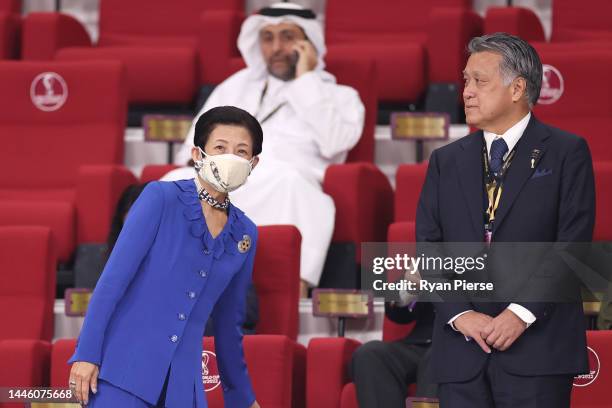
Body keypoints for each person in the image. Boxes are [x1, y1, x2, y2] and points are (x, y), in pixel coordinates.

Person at [416, 33, 594, 407]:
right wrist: (461, 314)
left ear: (517, 89)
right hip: (462, 353)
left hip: (538, 349)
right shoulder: (445, 161)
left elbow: (572, 245)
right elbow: (428, 248)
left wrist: (520, 313)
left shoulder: (566, 152)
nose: (466, 91)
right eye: (465, 80)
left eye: (479, 81)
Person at [164, 2, 365, 296]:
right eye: (268, 38)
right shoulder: (236, 86)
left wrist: (305, 80)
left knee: (289, 183)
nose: (276, 47)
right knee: (172, 181)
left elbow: (336, 142)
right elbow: (195, 142)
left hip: (288, 182)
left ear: (308, 43)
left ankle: (287, 294)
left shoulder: (340, 95)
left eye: (287, 36)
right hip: (225, 176)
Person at [68, 106, 263, 408]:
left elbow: (228, 326)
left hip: (184, 388)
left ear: (253, 163)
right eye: (220, 148)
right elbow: (112, 282)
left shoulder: (245, 233)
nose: (230, 158)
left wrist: (243, 399)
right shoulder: (160, 198)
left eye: (241, 151)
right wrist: (87, 354)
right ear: (198, 154)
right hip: (122, 372)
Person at [350, 302, 437, 407]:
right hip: (420, 342)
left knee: (436, 357)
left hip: (455, 342)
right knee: (369, 354)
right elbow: (399, 314)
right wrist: (405, 295)